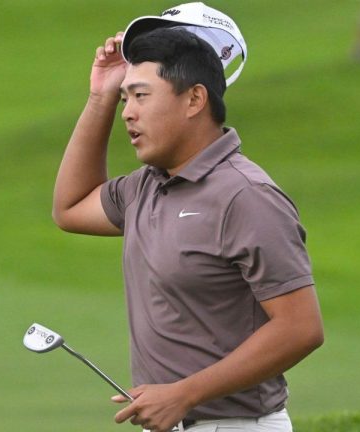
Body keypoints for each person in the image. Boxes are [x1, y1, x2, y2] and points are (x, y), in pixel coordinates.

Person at [52, 4, 324, 431]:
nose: (128, 112)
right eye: (126, 98)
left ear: (195, 98)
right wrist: (101, 95)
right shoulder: (145, 186)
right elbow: (69, 209)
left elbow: (301, 328)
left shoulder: (245, 196)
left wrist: (184, 393)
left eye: (140, 96)